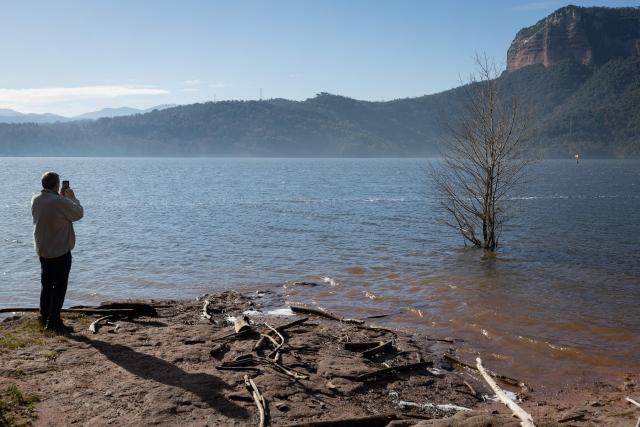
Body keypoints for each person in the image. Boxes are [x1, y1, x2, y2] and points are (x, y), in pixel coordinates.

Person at [31, 172, 84, 333]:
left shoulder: (35, 199)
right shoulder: (59, 201)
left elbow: (54, 210)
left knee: (46, 285)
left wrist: (62, 199)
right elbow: (78, 213)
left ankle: (44, 316)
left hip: (43, 249)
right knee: (59, 286)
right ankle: (53, 321)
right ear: (57, 185)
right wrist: (72, 198)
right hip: (60, 250)